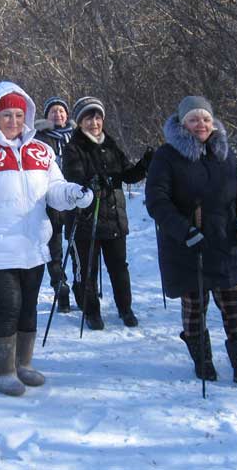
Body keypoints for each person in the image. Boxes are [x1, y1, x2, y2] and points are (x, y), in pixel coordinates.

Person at [0, 81, 93, 396]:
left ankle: (24, 364)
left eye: (18, 114)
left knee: (29, 304)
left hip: (33, 244)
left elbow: (55, 188)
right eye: (6, 115)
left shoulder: (41, 150)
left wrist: (73, 194)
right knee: (9, 303)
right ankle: (3, 371)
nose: (13, 121)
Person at [144, 95, 237, 386]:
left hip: (225, 241)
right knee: (194, 308)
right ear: (182, 123)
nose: (200, 124)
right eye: (193, 119)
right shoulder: (167, 156)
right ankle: (203, 362)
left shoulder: (224, 152)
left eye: (205, 118)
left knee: (235, 306)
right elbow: (157, 200)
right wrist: (183, 231)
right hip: (188, 245)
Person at [62, 97, 152, 330]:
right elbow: (73, 178)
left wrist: (144, 165)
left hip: (113, 217)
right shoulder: (73, 148)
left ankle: (125, 308)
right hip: (85, 219)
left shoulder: (110, 145)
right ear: (80, 122)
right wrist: (91, 183)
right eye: (89, 117)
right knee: (88, 269)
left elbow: (127, 175)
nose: (95, 122)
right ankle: (91, 311)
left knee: (119, 267)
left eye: (98, 117)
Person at [34, 96, 77, 313]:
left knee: (78, 247)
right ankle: (61, 288)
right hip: (50, 202)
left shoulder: (78, 136)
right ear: (46, 115)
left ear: (67, 115)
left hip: (76, 201)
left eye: (61, 111)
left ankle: (82, 288)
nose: (57, 115)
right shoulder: (39, 139)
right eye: (53, 111)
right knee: (55, 249)